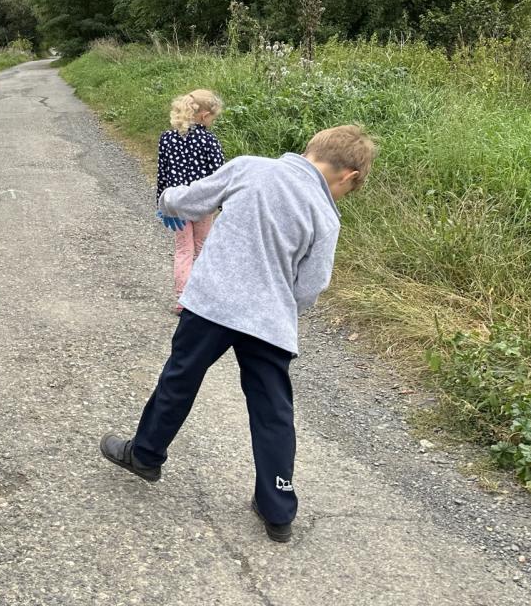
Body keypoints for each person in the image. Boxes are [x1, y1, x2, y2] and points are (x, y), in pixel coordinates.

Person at [99, 125, 378, 544]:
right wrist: (281, 308)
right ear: (349, 175)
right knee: (272, 410)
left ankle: (145, 455)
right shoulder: (325, 216)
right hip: (269, 323)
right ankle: (277, 509)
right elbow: (311, 285)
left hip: (213, 303)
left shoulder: (250, 168)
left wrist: (167, 200)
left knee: (181, 377)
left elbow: (189, 199)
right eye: (347, 191)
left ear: (312, 148)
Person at [156, 90, 226, 312]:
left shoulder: (167, 138)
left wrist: (162, 205)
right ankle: (199, 299)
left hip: (177, 204)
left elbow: (162, 174)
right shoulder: (209, 140)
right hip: (202, 204)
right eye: (213, 118)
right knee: (201, 248)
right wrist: (224, 205)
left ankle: (182, 300)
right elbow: (220, 177)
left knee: (183, 250)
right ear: (204, 115)